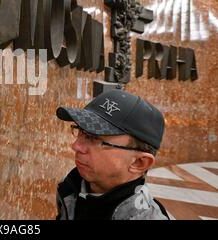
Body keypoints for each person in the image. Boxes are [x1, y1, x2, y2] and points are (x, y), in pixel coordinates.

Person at [55, 89, 169, 220]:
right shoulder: (70, 188)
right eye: (80, 131)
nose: (75, 146)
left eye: (93, 138)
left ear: (139, 162)